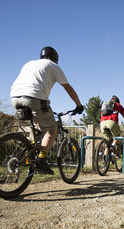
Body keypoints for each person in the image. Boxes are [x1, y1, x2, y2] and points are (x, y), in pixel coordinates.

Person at [10, 46, 84, 174]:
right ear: (54, 58)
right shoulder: (53, 66)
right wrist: (79, 105)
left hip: (14, 97)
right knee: (52, 129)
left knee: (37, 124)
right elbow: (68, 88)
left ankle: (31, 150)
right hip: (34, 97)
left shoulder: (29, 63)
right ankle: (41, 160)